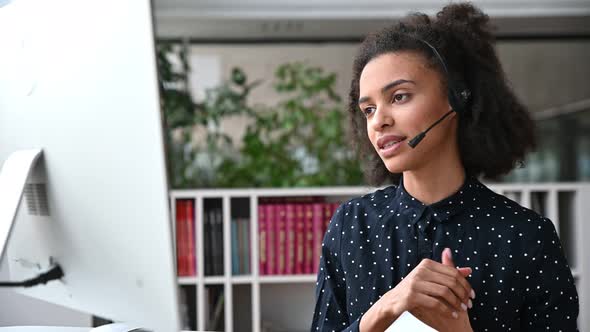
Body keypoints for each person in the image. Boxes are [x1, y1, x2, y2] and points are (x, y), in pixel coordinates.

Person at [310, 2, 579, 332]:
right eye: (368, 109)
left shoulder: (527, 237)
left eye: (399, 96)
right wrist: (383, 311)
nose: (379, 120)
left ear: (457, 99)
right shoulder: (351, 226)